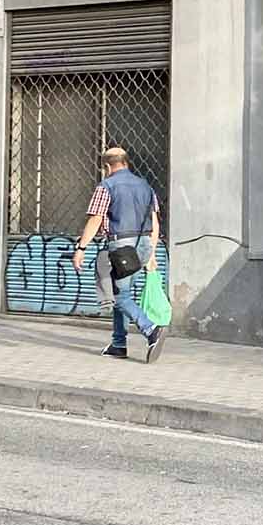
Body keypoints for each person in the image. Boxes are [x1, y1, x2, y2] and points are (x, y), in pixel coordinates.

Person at [71, 147, 167, 363]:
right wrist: (151, 252)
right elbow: (155, 221)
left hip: (121, 248)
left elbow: (95, 219)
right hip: (143, 244)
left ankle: (151, 330)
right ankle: (118, 344)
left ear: (107, 166)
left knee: (118, 296)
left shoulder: (107, 186)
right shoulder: (145, 186)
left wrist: (81, 248)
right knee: (122, 293)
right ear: (126, 162)